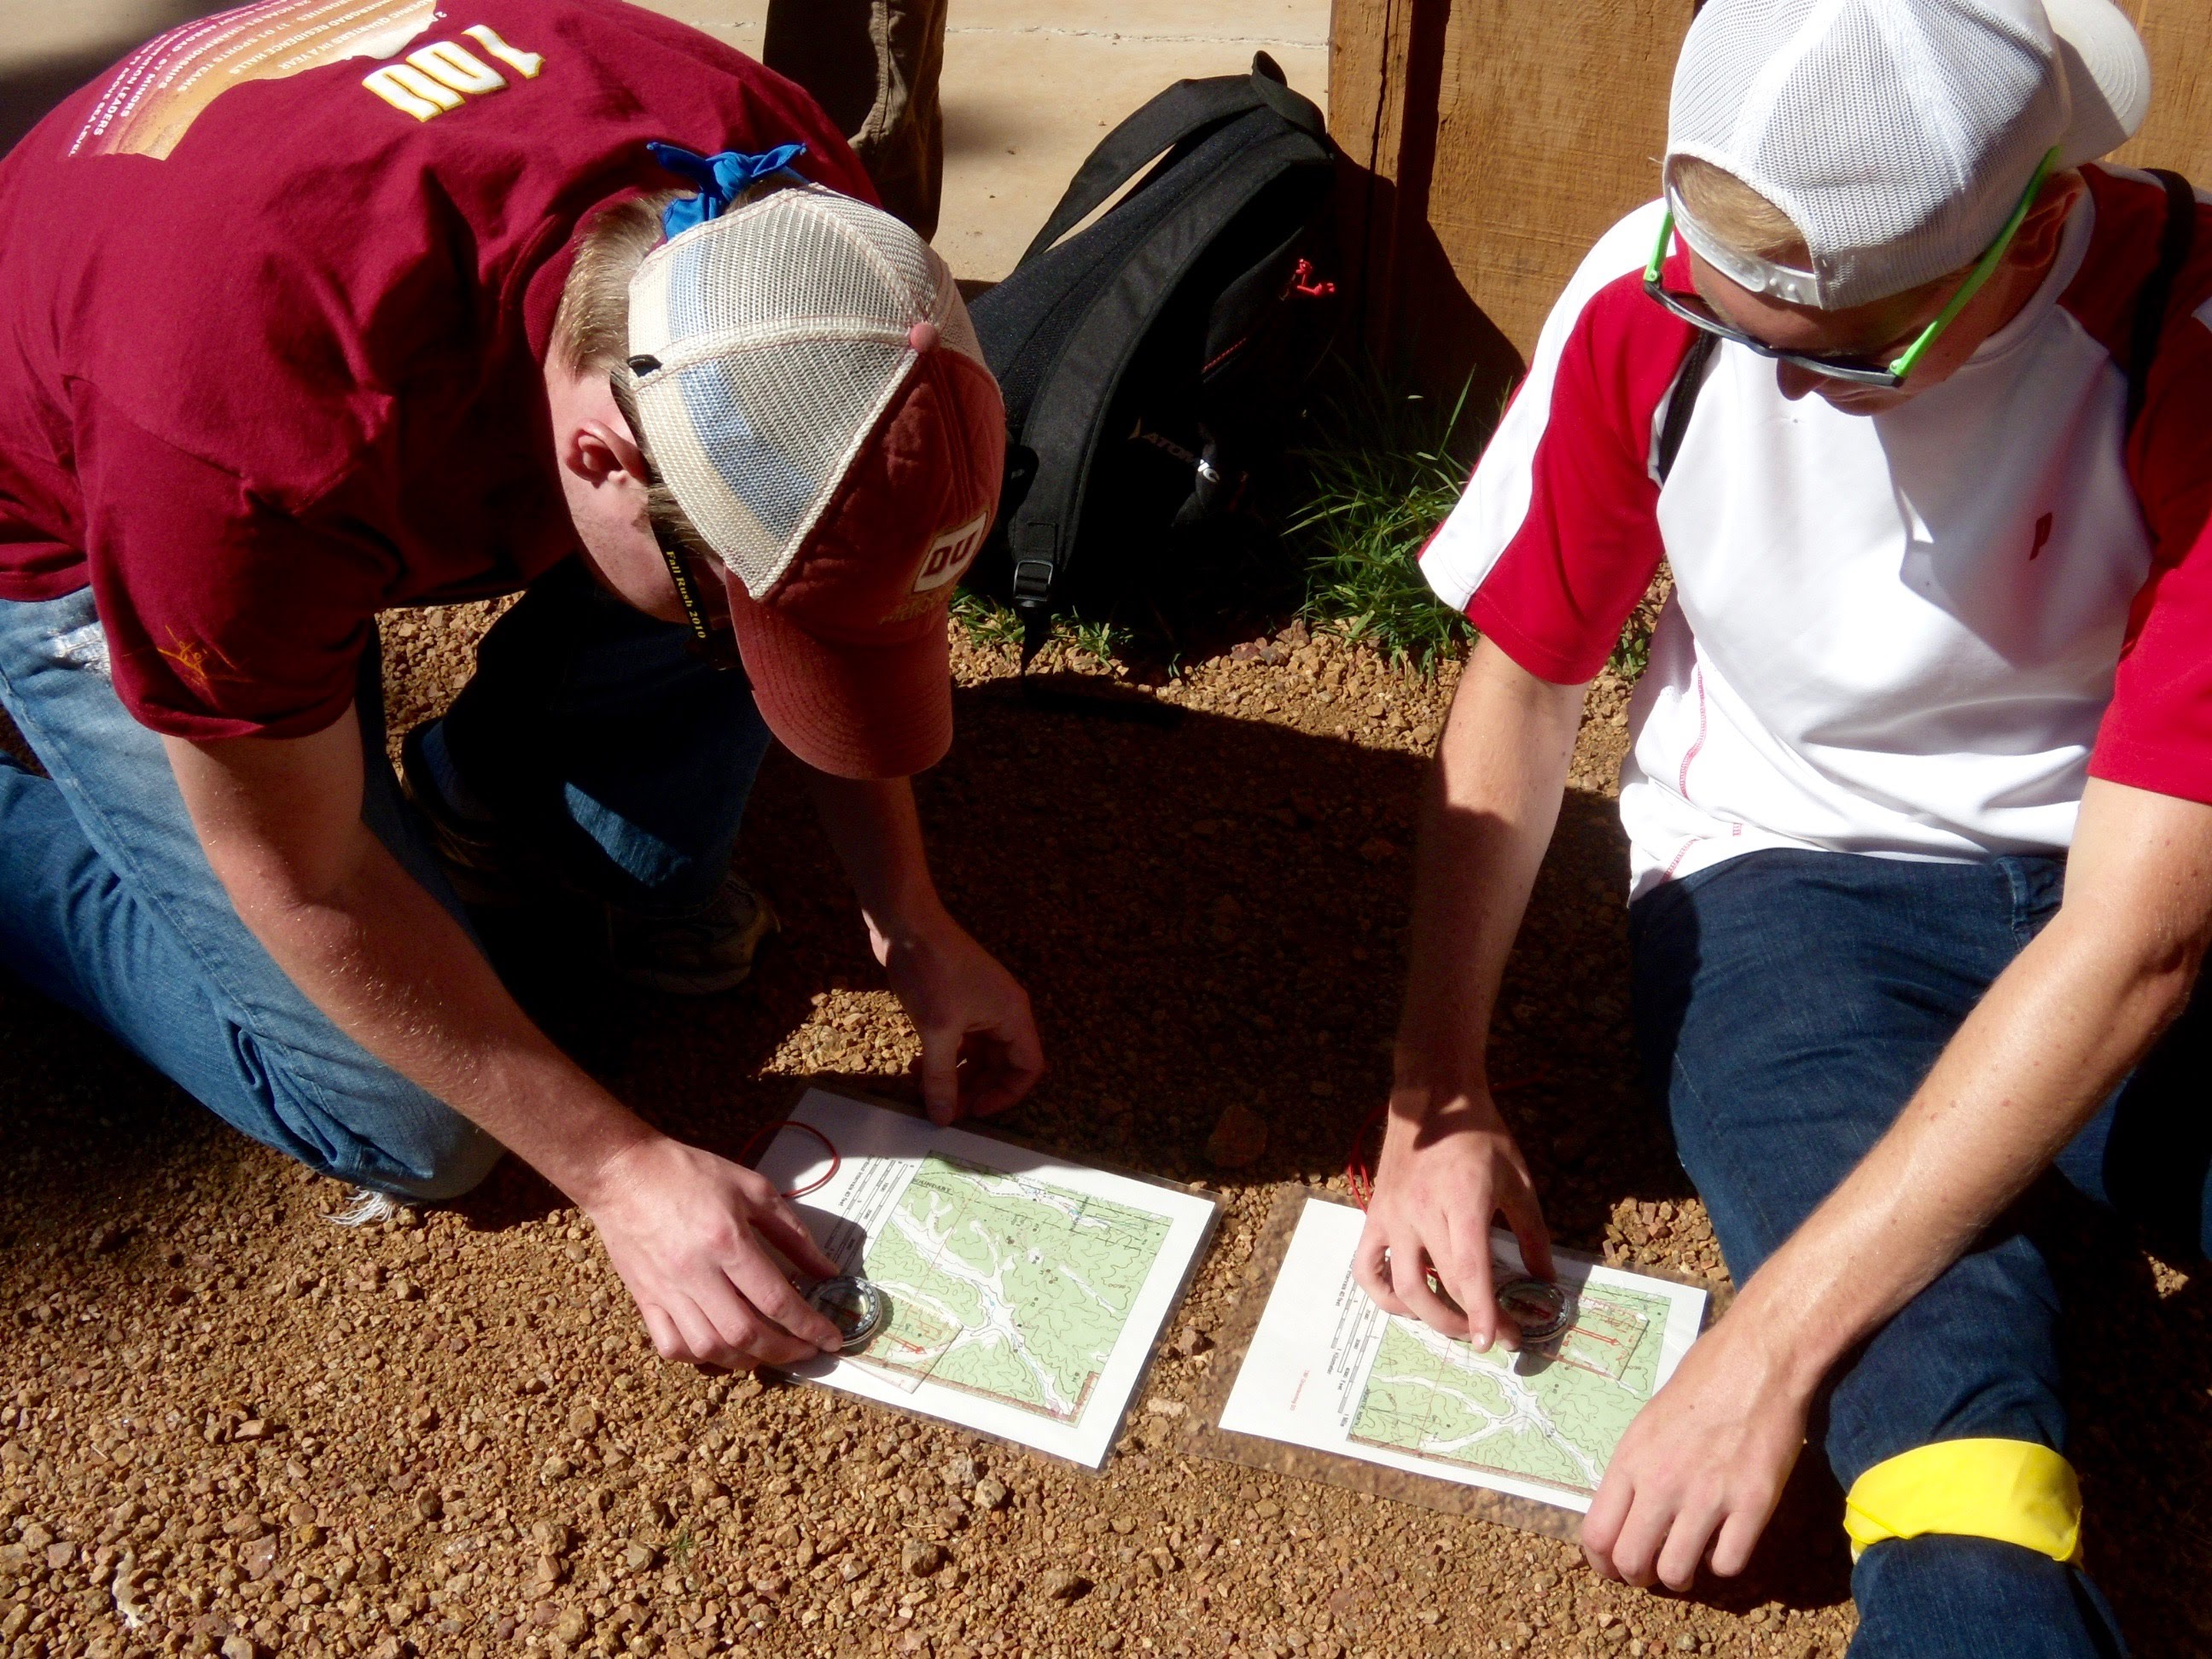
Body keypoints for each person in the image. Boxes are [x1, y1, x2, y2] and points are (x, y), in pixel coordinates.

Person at [0, 0, 1042, 1375]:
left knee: (630, 875)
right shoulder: (249, 430)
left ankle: (479, 800)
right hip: (76, 515)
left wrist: (907, 921)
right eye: (747, 620)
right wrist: (620, 1173)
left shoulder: (801, 238)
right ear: (604, 459)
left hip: (357, 420)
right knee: (416, 1125)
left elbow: (824, 573)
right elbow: (300, 874)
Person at [1358, 0, 2212, 1649]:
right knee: (1942, 1409)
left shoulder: (2184, 344)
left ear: (2034, 223)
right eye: (1727, 317)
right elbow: (1527, 686)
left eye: (1842, 353)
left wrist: (1756, 1351)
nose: (1778, 382)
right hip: (1787, 882)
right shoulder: (1651, 293)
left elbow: (2143, 931)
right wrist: (1436, 1089)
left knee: (1863, 1289)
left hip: (2126, 872)